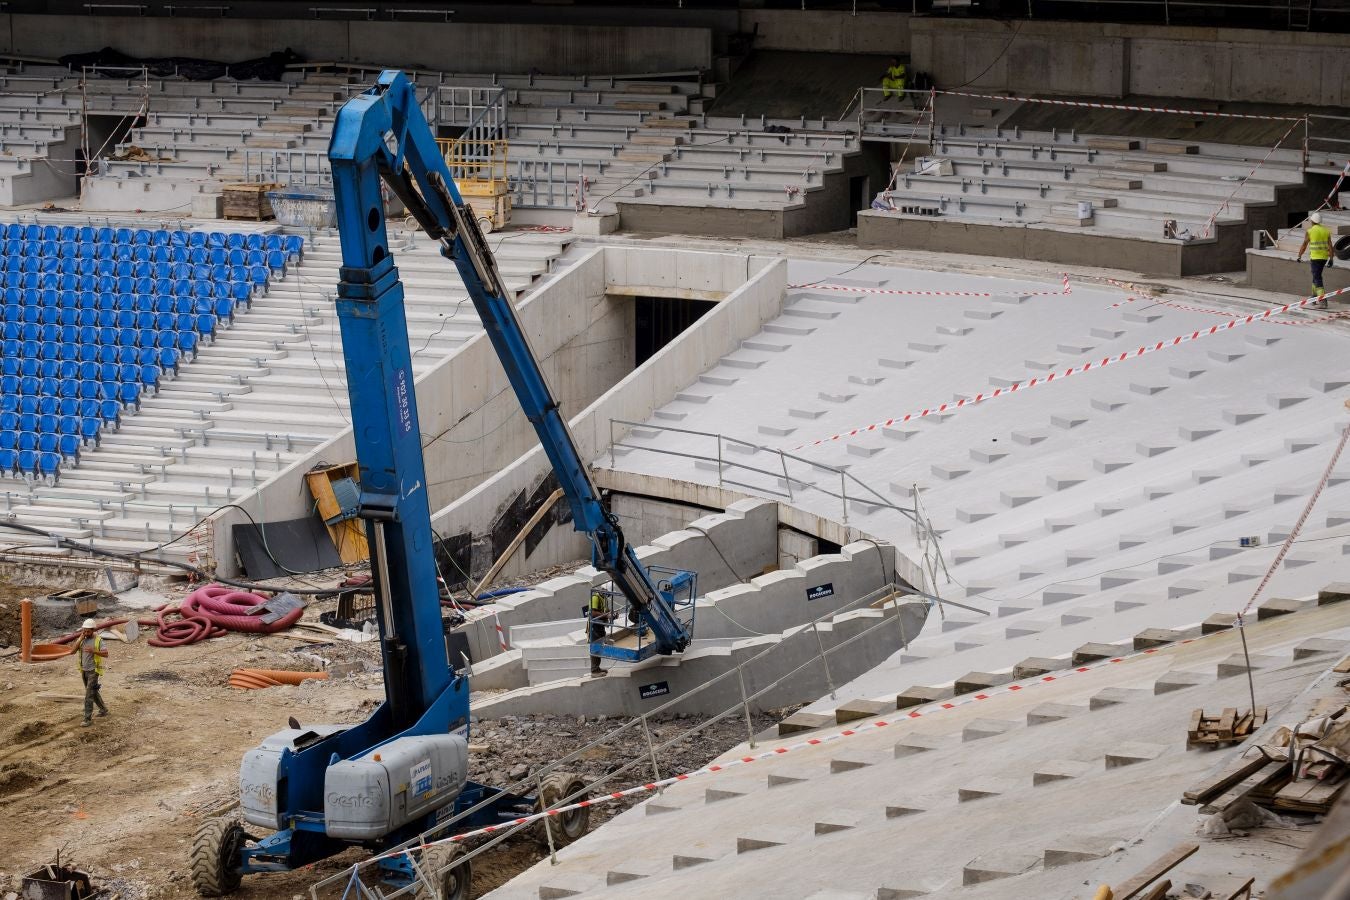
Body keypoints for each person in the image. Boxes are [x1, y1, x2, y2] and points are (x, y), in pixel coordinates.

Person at [1296, 212, 1333, 308]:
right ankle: (1314, 297)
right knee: (1316, 276)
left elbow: (1304, 245)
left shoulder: (1310, 231)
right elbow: (1330, 246)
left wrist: (1299, 255)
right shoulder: (1326, 231)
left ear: (1312, 221)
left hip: (1315, 258)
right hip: (1324, 258)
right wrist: (1331, 258)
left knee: (1317, 278)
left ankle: (1322, 301)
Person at [76, 619, 109, 726]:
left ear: (93, 630)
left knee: (88, 695)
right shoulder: (82, 639)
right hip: (84, 670)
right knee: (93, 692)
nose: (86, 633)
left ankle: (87, 719)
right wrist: (79, 639)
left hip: (93, 671)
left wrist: (93, 651)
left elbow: (106, 654)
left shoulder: (98, 640)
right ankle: (103, 709)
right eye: (84, 631)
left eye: (88, 631)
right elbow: (72, 651)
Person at [586, 590, 611, 677]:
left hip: (600, 626)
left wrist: (612, 614)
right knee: (595, 647)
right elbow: (593, 613)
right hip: (594, 627)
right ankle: (594, 671)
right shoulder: (595, 598)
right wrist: (606, 615)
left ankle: (597, 668)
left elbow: (605, 611)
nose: (609, 595)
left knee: (598, 647)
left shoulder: (604, 598)